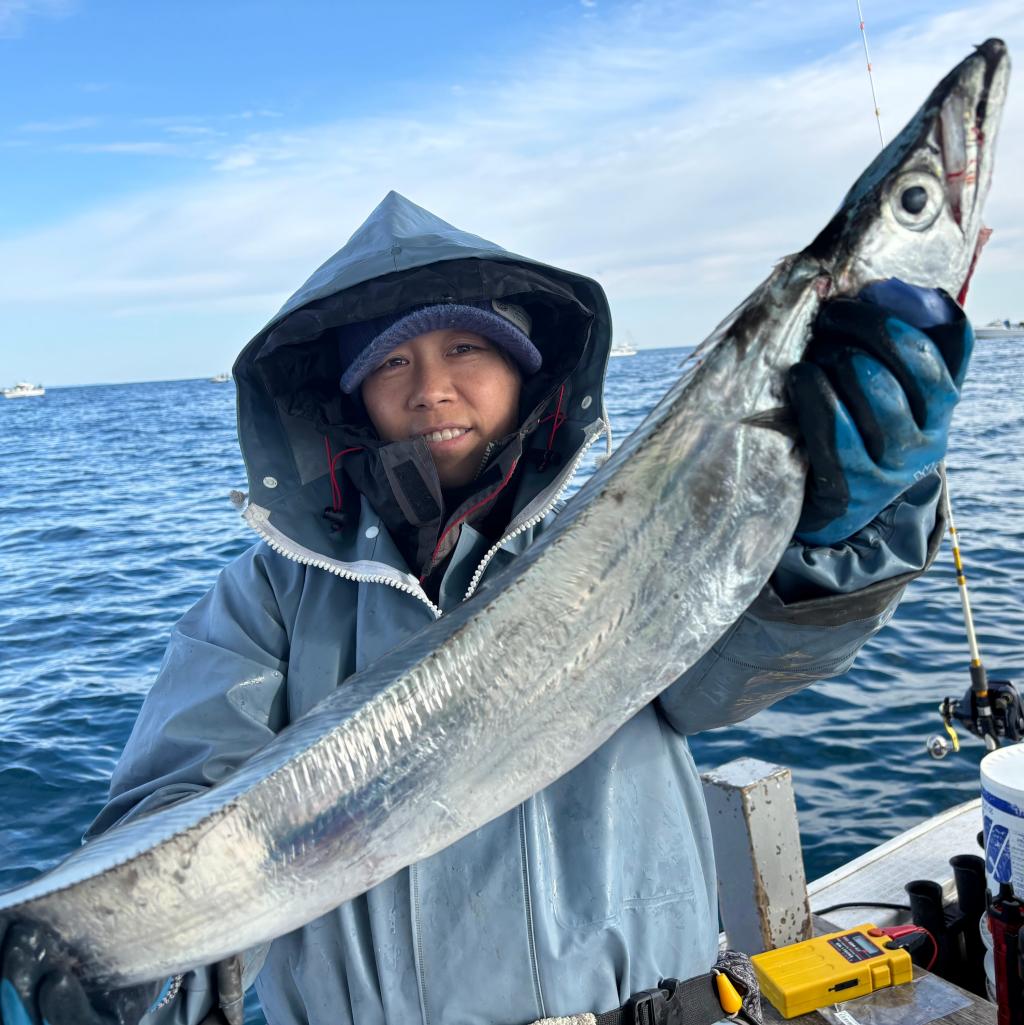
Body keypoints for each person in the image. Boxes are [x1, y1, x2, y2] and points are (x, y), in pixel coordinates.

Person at [0, 192, 971, 1025]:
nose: (433, 386)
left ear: (525, 368)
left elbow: (730, 674)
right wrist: (107, 958)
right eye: (392, 362)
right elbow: (180, 800)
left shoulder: (618, 538)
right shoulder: (264, 601)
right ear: (346, 395)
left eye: (468, 345)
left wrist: (837, 538)